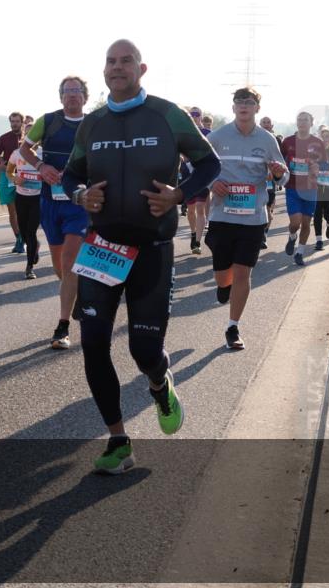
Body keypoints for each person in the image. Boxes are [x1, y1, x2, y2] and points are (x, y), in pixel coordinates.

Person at [62, 39, 220, 474]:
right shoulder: (91, 124)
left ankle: (158, 381)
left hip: (152, 249)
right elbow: (72, 175)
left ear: (141, 68)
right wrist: (80, 194)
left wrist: (180, 195)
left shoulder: (168, 115)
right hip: (103, 249)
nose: (117, 67)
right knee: (93, 343)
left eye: (125, 60)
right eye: (110, 61)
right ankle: (118, 441)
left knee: (143, 348)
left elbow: (210, 164)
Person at [205, 88, 288, 350]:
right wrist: (212, 182)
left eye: (249, 102)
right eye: (239, 102)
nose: (243, 105)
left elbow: (282, 176)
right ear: (233, 108)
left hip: (253, 218)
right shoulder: (217, 137)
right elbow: (201, 168)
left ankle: (233, 326)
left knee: (243, 272)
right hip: (221, 216)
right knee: (223, 276)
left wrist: (277, 173)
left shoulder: (267, 140)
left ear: (257, 108)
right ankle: (222, 286)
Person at [18, 76, 89, 350]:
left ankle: (62, 326)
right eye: (68, 91)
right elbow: (25, 148)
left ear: (85, 96)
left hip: (79, 202)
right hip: (50, 201)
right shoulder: (47, 121)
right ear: (61, 97)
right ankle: (76, 293)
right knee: (60, 265)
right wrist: (40, 166)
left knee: (70, 260)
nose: (72, 96)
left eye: (77, 91)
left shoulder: (93, 124)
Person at [281, 112, 325, 266]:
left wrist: (317, 169)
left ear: (311, 122)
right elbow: (279, 161)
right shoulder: (287, 141)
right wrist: (280, 171)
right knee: (295, 223)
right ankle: (292, 236)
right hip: (292, 188)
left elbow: (324, 165)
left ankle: (299, 253)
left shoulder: (318, 143)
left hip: (310, 189)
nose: (301, 122)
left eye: (305, 120)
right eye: (299, 119)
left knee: (306, 223)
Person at [6, 124, 42, 279]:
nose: (31, 138)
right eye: (28, 135)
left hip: (38, 197)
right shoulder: (16, 153)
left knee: (31, 231)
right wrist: (14, 179)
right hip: (21, 197)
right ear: (23, 137)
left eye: (34, 135)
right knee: (24, 233)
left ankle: (29, 268)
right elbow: (8, 171)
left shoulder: (43, 154)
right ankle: (35, 247)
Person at [0, 112, 27, 254]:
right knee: (12, 211)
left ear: (22, 123)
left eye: (17, 121)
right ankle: (19, 238)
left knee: (22, 210)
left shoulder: (29, 139)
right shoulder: (4, 138)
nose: (14, 124)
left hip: (25, 177)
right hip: (8, 177)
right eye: (12, 121)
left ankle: (25, 236)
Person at [182, 107, 212, 253]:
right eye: (191, 114)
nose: (194, 117)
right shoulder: (183, 132)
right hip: (187, 176)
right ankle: (193, 233)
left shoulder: (208, 133)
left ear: (201, 116)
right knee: (190, 210)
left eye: (196, 114)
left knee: (200, 208)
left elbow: (215, 155)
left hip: (203, 176)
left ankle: (197, 242)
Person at [259, 116, 285, 249]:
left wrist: (276, 173)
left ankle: (264, 234)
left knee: (268, 208)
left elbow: (281, 160)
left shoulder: (277, 140)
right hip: (255, 179)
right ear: (259, 124)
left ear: (272, 125)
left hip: (270, 179)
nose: (266, 124)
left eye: (268, 122)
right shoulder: (253, 137)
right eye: (263, 122)